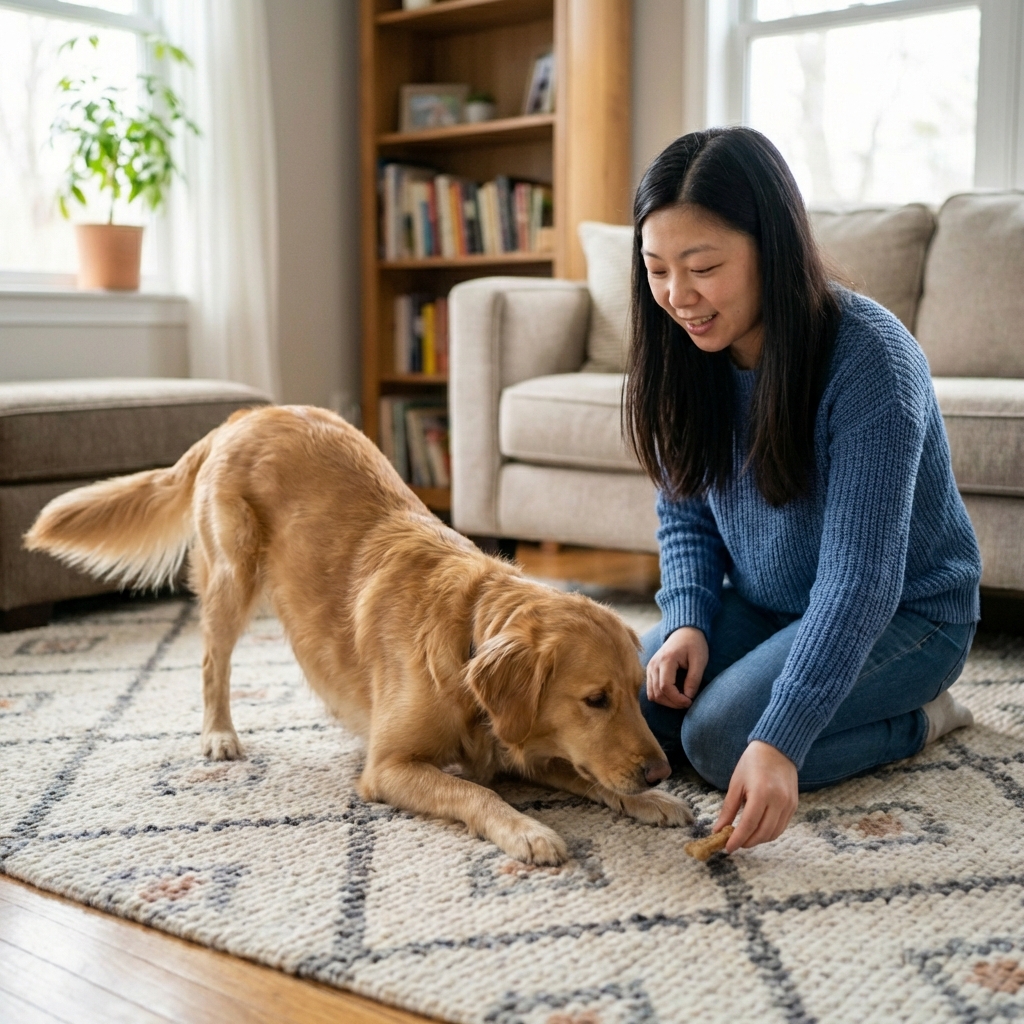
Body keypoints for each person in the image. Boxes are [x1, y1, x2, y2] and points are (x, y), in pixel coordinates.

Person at [624, 128, 982, 855]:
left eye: (703, 268)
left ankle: (924, 716)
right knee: (633, 707)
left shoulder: (872, 360)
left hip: (907, 615)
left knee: (723, 741)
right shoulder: (683, 351)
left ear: (772, 248)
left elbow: (860, 582)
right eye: (657, 270)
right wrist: (690, 617)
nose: (677, 297)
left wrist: (782, 740)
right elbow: (684, 513)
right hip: (770, 604)